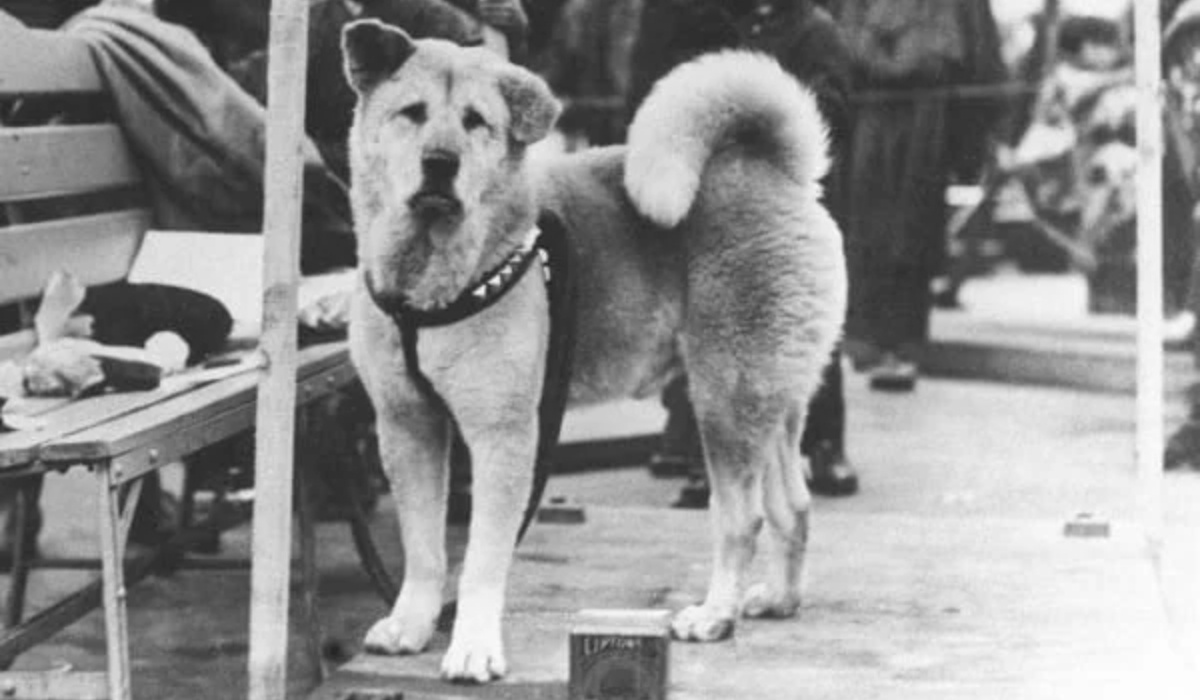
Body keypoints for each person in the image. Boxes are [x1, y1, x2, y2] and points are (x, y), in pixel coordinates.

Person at [628, 0, 859, 500]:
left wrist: (767, 119)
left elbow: (833, 110)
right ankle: (708, 455)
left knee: (803, 330)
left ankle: (825, 442)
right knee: (714, 332)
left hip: (790, 200)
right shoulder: (712, 23)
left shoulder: (813, 30)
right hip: (723, 202)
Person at [837, 0, 1006, 391]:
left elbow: (961, 50)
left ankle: (900, 343)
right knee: (866, 225)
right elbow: (842, 38)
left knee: (909, 229)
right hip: (871, 113)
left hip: (921, 117)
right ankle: (868, 338)